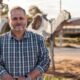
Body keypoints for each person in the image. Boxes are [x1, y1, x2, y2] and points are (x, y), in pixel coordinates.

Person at [0, 6, 50, 80]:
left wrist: (29, 77)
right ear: (9, 20)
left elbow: (45, 61)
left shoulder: (38, 39)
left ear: (26, 19)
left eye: (21, 18)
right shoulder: (1, 40)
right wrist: (6, 76)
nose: (18, 22)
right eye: (14, 19)